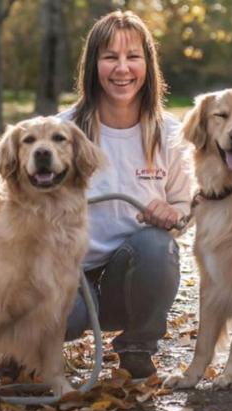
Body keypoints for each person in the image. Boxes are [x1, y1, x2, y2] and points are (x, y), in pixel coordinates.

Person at [57, 10, 191, 378]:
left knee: (158, 245)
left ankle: (137, 347)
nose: (122, 68)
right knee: (66, 318)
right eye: (109, 57)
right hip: (67, 271)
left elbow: (184, 206)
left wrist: (173, 215)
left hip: (129, 274)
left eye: (133, 56)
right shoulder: (61, 132)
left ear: (148, 64)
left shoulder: (170, 134)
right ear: (93, 65)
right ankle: (22, 345)